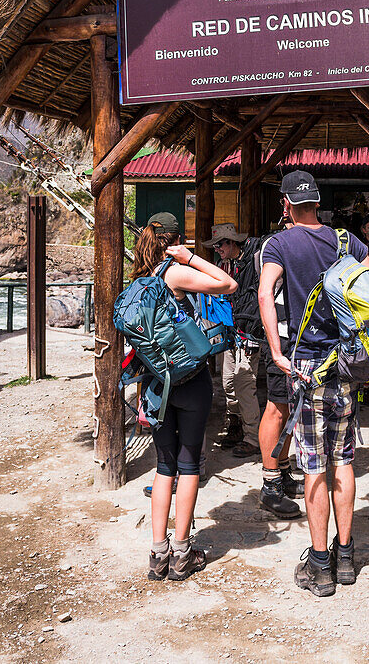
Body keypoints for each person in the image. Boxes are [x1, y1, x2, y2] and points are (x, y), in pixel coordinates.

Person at [258, 170, 369, 597]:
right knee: (345, 460)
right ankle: (347, 556)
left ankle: (320, 566)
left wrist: (278, 352)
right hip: (348, 367)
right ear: (317, 202)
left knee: (314, 465)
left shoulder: (278, 244)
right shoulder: (346, 241)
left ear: (286, 205)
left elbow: (265, 294)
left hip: (306, 368)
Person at [133, 211, 237, 582]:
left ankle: (157, 554)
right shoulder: (173, 272)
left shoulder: (138, 277)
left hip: (154, 383)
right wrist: (189, 257)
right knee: (189, 463)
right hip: (189, 380)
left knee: (164, 466)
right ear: (174, 239)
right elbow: (227, 284)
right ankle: (181, 552)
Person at [256, 220, 305, 519]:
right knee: (276, 408)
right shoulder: (275, 247)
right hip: (282, 336)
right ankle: (270, 484)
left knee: (288, 409)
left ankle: (282, 471)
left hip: (297, 338)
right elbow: (267, 293)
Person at [204, 223, 262, 458]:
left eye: (220, 244)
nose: (217, 248)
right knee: (228, 381)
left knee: (245, 383)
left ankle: (253, 437)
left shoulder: (253, 264)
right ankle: (236, 425)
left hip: (248, 331)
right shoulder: (222, 266)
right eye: (215, 245)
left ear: (232, 242)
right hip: (229, 331)